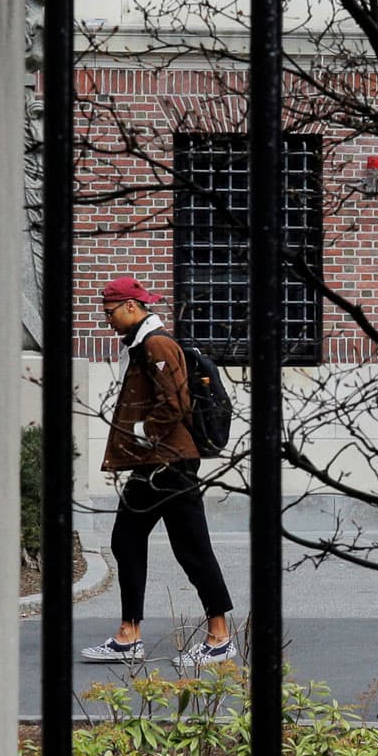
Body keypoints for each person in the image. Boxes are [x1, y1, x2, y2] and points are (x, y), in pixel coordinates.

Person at [82, 275, 237, 669]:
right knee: (126, 540)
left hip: (171, 464)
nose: (108, 320)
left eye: (110, 313)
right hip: (151, 465)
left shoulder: (157, 344)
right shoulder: (140, 346)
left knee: (192, 548)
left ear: (131, 307)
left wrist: (141, 431)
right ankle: (128, 635)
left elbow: (177, 402)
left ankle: (220, 638)